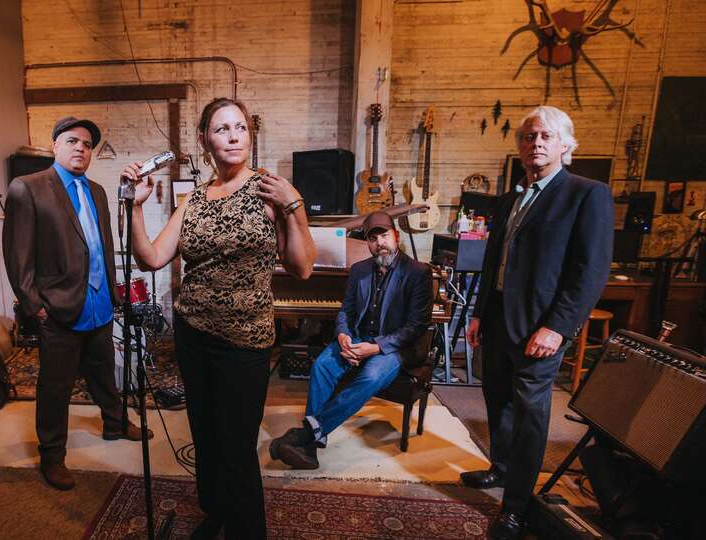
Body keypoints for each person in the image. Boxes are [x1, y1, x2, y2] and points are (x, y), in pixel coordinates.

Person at [123, 97, 316, 539]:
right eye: (221, 128)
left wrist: (294, 205)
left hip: (244, 342)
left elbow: (303, 267)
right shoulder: (194, 200)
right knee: (206, 436)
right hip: (192, 335)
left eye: (240, 127)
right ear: (204, 139)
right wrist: (135, 207)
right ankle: (216, 512)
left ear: (250, 135)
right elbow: (151, 257)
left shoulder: (269, 190)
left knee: (236, 447)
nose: (233, 136)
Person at [461, 105, 613, 540]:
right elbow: (492, 262)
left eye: (546, 136)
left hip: (540, 327)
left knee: (530, 414)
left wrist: (559, 327)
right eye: (529, 136)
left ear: (566, 145)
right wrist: (477, 313)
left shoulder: (587, 194)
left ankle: (516, 507)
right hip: (497, 320)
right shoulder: (511, 198)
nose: (536, 143)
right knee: (497, 400)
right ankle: (501, 468)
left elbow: (591, 270)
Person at [3, 116, 152, 492]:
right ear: (55, 145)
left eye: (87, 144)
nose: (80, 149)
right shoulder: (28, 188)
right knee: (56, 387)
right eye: (72, 141)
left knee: (104, 371)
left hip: (99, 302)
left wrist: (114, 293)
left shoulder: (98, 191)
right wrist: (34, 305)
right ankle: (52, 455)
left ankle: (115, 423)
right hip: (58, 307)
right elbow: (17, 256)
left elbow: (103, 246)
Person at [268, 212, 432, 469]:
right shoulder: (359, 270)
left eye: (384, 236)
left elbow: (415, 327)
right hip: (356, 338)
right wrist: (343, 334)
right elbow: (346, 311)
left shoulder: (417, 272)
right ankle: (310, 451)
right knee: (322, 366)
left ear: (396, 236)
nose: (380, 243)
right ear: (368, 243)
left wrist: (374, 348)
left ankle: (306, 435)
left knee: (370, 377)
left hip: (392, 347)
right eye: (373, 239)